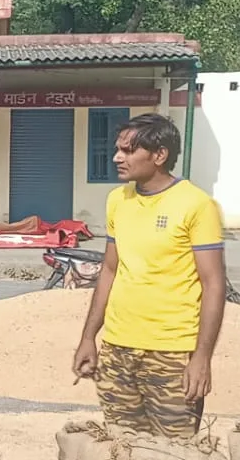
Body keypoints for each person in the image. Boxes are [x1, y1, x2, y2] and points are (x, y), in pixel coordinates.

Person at [72, 113, 227, 438]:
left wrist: (201, 357)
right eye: (117, 149)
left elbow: (214, 285)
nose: (117, 157)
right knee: (124, 455)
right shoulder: (118, 200)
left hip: (172, 356)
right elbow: (110, 271)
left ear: (159, 155)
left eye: (128, 151)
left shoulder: (197, 205)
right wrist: (89, 338)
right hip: (118, 352)